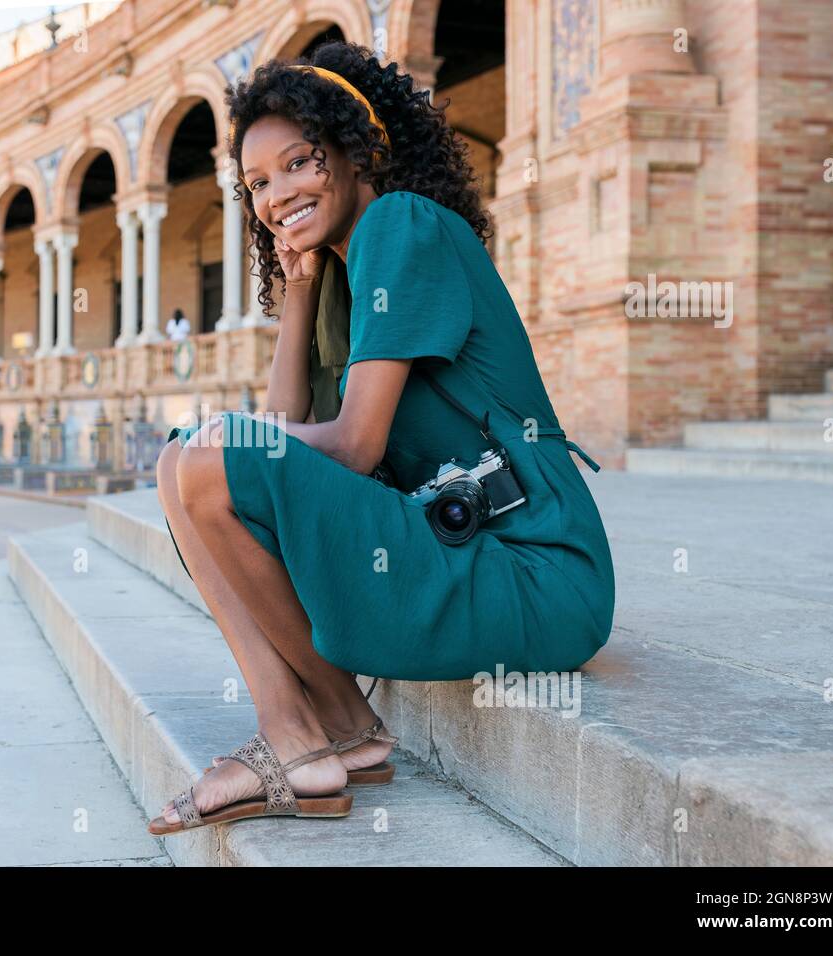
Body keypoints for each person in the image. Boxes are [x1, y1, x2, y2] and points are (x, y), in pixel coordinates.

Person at [150, 41, 615, 835]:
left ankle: (298, 736)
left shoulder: (401, 224)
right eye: (258, 184)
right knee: (180, 462)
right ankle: (337, 726)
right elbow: (294, 434)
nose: (277, 195)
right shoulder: (339, 276)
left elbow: (353, 448)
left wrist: (229, 446)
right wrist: (296, 288)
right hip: (465, 550)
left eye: (300, 162)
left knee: (206, 456)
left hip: (539, 571)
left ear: (355, 148)